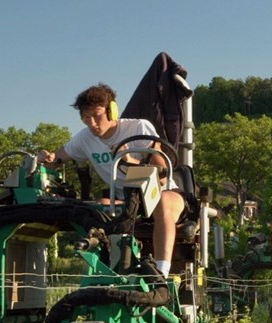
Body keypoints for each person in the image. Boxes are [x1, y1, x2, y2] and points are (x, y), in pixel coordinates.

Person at [36, 83, 185, 277]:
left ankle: (161, 273)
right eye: (85, 118)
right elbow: (56, 158)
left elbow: (163, 173)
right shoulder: (84, 139)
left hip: (162, 193)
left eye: (96, 116)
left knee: (162, 202)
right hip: (126, 202)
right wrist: (46, 157)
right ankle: (108, 274)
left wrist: (129, 161)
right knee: (99, 206)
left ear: (112, 110)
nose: (92, 124)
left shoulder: (138, 127)